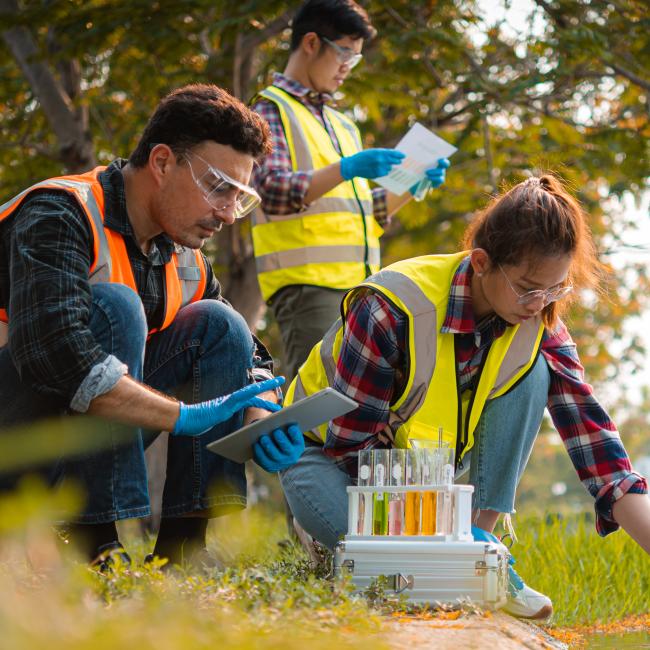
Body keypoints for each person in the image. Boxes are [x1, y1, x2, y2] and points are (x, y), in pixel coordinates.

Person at [279, 174, 650, 619]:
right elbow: (351, 449)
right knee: (405, 579)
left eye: (556, 288)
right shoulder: (392, 306)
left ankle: (479, 550)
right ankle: (451, 558)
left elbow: (596, 445)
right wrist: (445, 532)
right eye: (528, 287)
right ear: (480, 262)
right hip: (329, 461)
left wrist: (459, 534)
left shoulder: (539, 323)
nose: (539, 303)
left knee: (535, 373)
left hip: (424, 484)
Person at [0, 84, 304, 570]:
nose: (228, 214)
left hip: (67, 447)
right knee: (116, 306)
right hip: (14, 443)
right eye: (219, 187)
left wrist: (261, 415)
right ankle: (93, 546)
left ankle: (184, 554)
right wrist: (182, 415)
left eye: (239, 198)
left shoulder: (184, 258)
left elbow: (251, 356)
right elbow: (53, 354)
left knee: (222, 324)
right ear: (162, 163)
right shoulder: (60, 212)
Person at [251, 0, 450, 381]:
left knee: (361, 397)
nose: (347, 67)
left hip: (361, 287)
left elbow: (366, 212)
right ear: (311, 43)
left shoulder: (343, 124)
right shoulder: (271, 108)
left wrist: (414, 181)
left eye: (355, 59)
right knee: (316, 397)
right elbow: (271, 191)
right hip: (308, 288)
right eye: (344, 53)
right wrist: (346, 168)